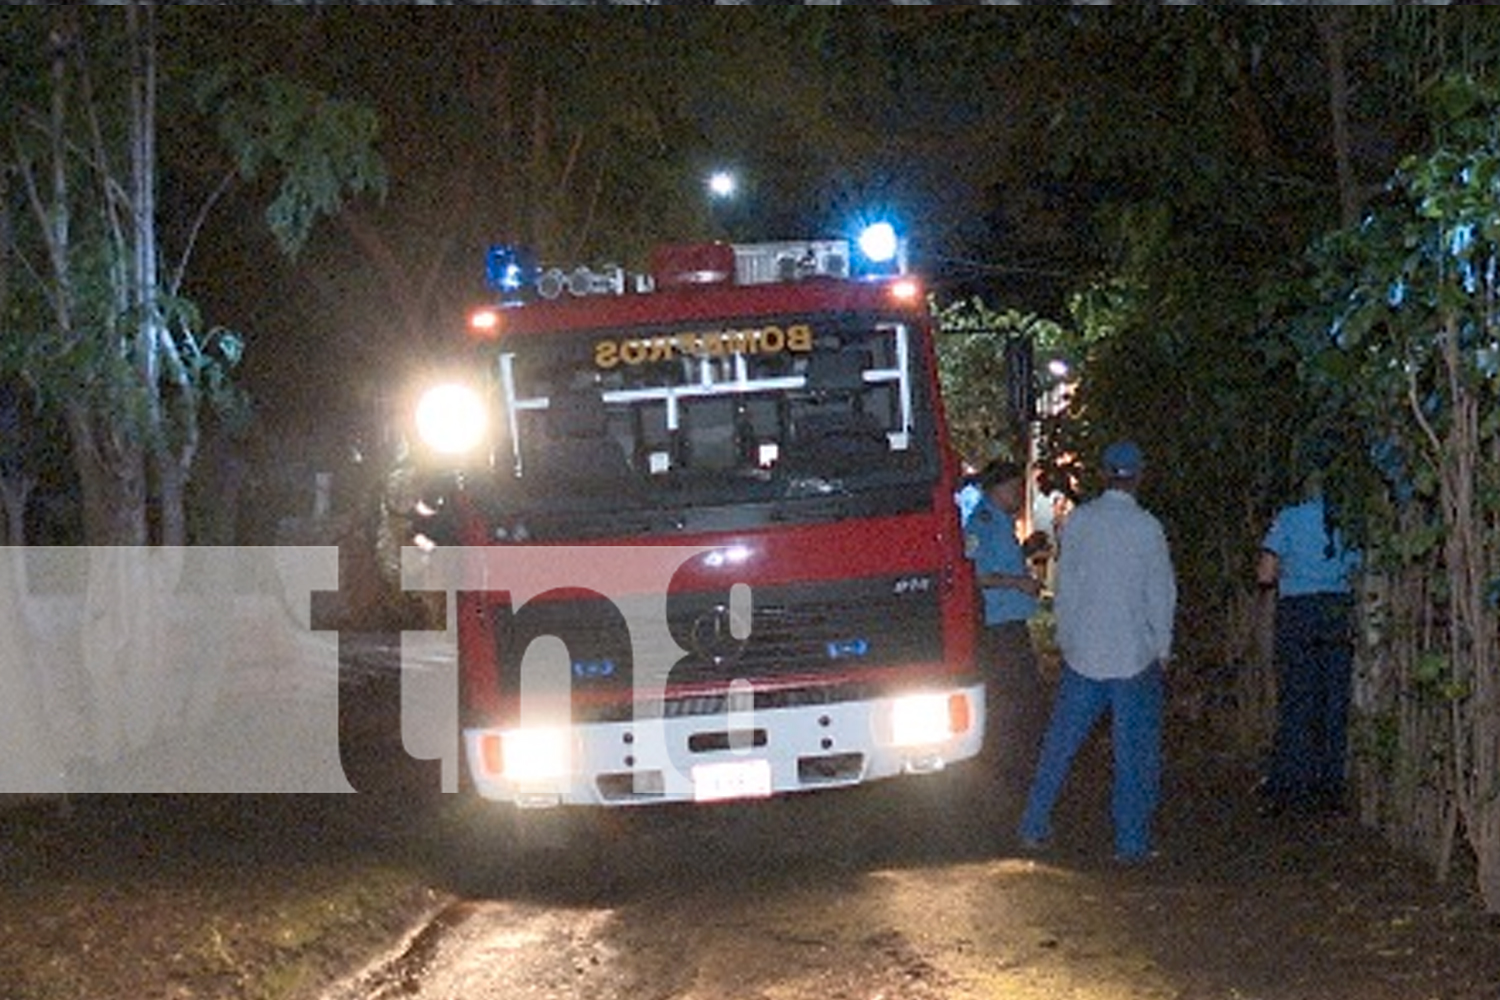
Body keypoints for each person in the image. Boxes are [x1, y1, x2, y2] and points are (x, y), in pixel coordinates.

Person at [1017, 440, 1177, 864]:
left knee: (1059, 745)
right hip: (1133, 655)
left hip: (1084, 653)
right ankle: (1131, 842)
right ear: (1138, 476)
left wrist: (1065, 639)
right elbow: (1160, 593)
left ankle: (1034, 823)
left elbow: (1065, 586)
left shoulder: (1080, 523)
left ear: (1104, 475)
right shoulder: (1148, 527)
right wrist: (1163, 646)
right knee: (1134, 754)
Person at [1255, 473, 1361, 816]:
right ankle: (1329, 787)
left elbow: (1265, 574)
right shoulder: (1350, 518)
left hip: (1298, 611)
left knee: (1298, 697)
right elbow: (1358, 567)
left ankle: (1293, 785)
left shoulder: (1289, 517)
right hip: (1337, 610)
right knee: (1333, 699)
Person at [962, 459, 1048, 790]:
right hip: (998, 625)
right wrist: (1018, 582)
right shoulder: (981, 524)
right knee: (1013, 696)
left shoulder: (1000, 522)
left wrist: (1026, 553)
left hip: (1011, 619)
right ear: (997, 489)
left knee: (1021, 695)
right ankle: (1009, 767)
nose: (1018, 495)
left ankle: (1017, 764)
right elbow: (977, 575)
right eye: (1014, 488)